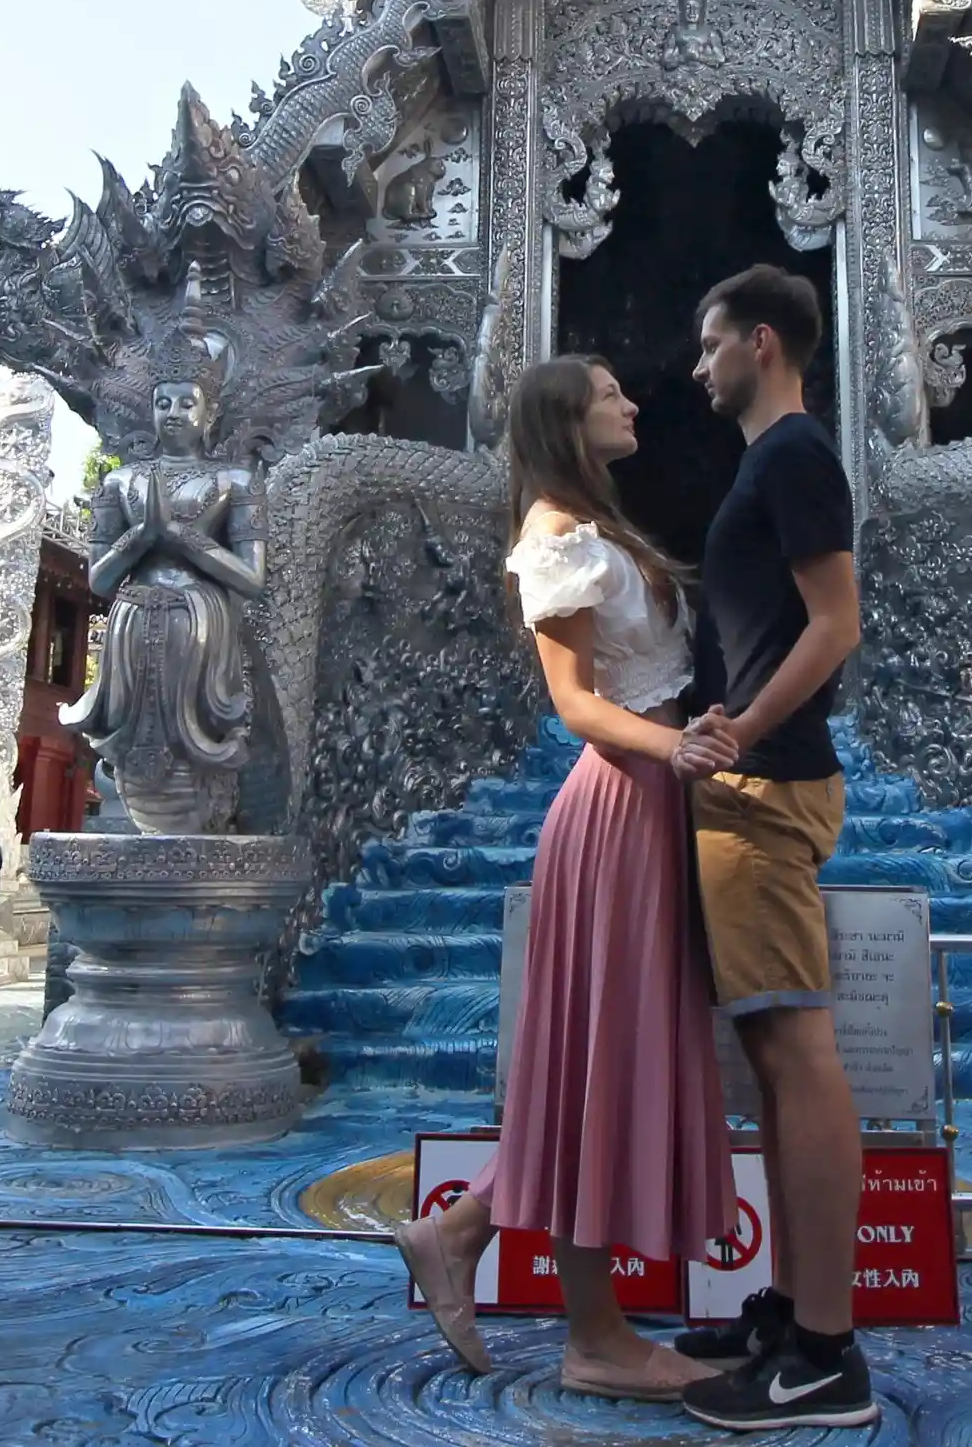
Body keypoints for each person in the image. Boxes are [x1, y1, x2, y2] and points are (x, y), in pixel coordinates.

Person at [396, 356, 743, 1401]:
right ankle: (593, 1339)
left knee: (603, 1065)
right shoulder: (554, 535)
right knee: (599, 1069)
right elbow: (576, 705)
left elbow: (653, 680)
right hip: (617, 805)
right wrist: (671, 748)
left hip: (652, 799)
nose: (629, 403)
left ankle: (457, 1232)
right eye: (607, 394)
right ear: (564, 418)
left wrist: (693, 735)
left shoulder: (597, 527)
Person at [671, 263, 875, 1431]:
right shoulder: (768, 460)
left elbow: (837, 618)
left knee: (797, 1058)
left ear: (761, 341)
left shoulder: (794, 454)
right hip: (747, 785)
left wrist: (742, 727)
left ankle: (825, 1353)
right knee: (775, 1057)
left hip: (761, 789)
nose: (697, 369)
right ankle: (790, 1307)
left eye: (709, 346)